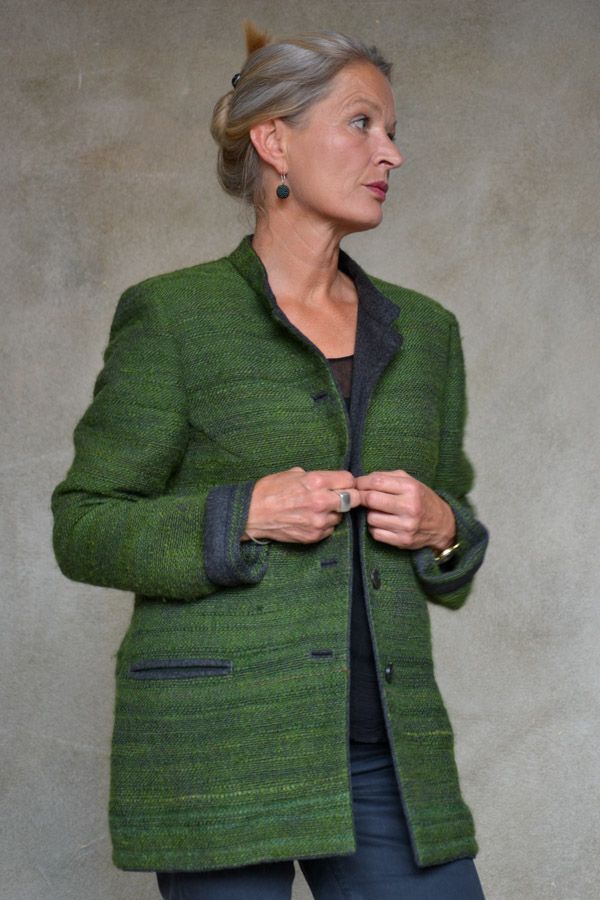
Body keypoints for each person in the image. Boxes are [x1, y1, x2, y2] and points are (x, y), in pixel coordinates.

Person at [51, 23, 489, 900]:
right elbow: (85, 524)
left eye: (392, 130)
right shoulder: (175, 316)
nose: (391, 153)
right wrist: (241, 514)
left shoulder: (426, 331)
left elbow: (457, 537)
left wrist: (443, 528)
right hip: (220, 747)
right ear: (274, 141)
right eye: (362, 123)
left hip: (386, 754)